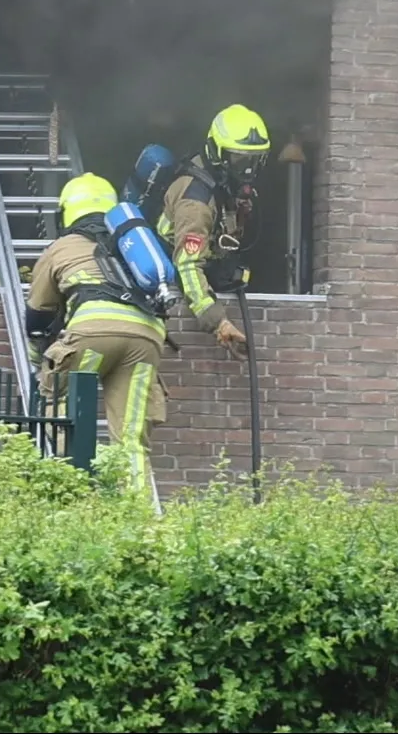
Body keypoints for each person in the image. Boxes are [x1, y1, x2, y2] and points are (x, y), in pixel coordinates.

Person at [26, 173, 169, 496]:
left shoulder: (61, 247)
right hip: (147, 339)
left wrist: (38, 359)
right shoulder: (129, 245)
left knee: (63, 404)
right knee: (130, 438)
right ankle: (138, 514)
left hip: (94, 335)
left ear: (66, 213)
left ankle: (79, 493)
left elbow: (38, 314)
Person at [155, 104, 271, 358]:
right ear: (217, 153)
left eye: (253, 160)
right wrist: (218, 322)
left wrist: (238, 213)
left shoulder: (219, 181)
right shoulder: (195, 203)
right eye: (239, 160)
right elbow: (187, 265)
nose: (247, 171)